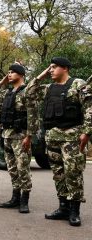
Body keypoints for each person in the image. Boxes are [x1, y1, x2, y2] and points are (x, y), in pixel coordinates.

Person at [26, 57, 92, 226]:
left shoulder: (78, 84)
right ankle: (63, 208)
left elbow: (89, 108)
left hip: (72, 138)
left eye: (54, 67)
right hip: (52, 137)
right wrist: (41, 76)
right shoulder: (48, 88)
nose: (51, 70)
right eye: (50, 67)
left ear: (65, 68)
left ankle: (74, 211)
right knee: (58, 174)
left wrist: (87, 132)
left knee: (73, 174)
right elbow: (29, 93)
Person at [0, 64, 33, 213]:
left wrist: (29, 136)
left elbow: (33, 115)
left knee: (22, 168)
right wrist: (2, 82)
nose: (9, 75)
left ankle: (24, 201)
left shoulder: (26, 92)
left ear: (21, 74)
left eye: (12, 72)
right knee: (12, 168)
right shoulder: (7, 93)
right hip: (7, 135)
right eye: (8, 73)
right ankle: (15, 198)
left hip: (21, 136)